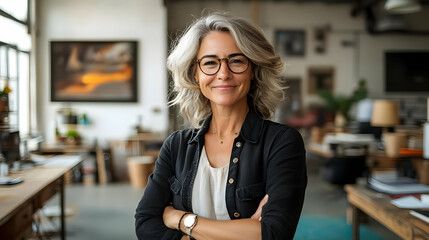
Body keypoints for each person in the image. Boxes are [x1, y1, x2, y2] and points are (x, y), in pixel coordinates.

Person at [135, 12, 307, 240]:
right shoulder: (176, 145)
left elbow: (274, 234)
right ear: (195, 74)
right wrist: (246, 232)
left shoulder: (281, 142)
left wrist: (180, 220)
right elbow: (145, 224)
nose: (223, 74)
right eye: (209, 63)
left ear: (253, 69)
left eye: (236, 61)